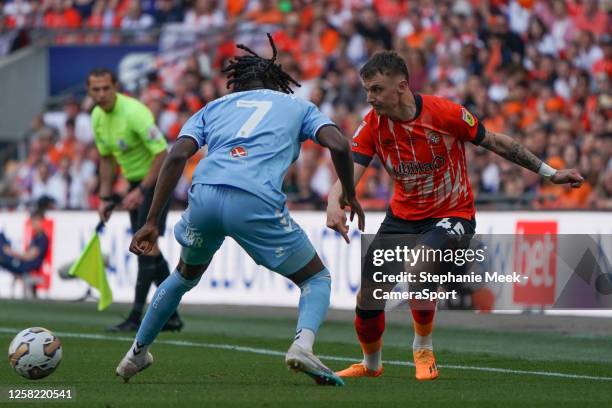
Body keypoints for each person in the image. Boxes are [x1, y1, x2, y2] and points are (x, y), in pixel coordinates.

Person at [114, 34, 364, 386]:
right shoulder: (298, 106)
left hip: (205, 195)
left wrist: (152, 221)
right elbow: (338, 144)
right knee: (314, 278)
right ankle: (302, 345)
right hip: (254, 199)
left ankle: (135, 354)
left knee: (184, 275)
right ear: (275, 80)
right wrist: (348, 194)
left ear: (237, 82)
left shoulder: (214, 107)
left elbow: (176, 156)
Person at [326, 51, 583, 381]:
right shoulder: (374, 124)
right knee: (369, 293)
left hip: (452, 213)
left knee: (422, 263)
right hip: (402, 216)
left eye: (376, 89)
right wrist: (335, 201)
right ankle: (371, 364)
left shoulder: (443, 113)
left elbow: (497, 143)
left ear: (402, 86)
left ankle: (423, 349)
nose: (370, 98)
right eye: (367, 90)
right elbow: (351, 170)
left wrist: (550, 173)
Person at [88, 68, 183, 333]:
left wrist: (141, 190)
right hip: (135, 184)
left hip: (158, 181)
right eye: (96, 90)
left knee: (143, 245)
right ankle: (172, 315)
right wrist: (105, 197)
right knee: (149, 248)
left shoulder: (135, 113)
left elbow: (162, 153)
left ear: (115, 87)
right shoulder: (97, 116)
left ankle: (135, 316)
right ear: (89, 92)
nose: (101, 94)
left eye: (106, 88)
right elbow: (106, 159)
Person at [0, 208, 49, 285]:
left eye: (35, 221)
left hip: (27, 266)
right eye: (32, 221)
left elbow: (28, 256)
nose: (33, 223)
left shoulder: (41, 238)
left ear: (41, 222)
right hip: (23, 264)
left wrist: (11, 252)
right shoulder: (36, 237)